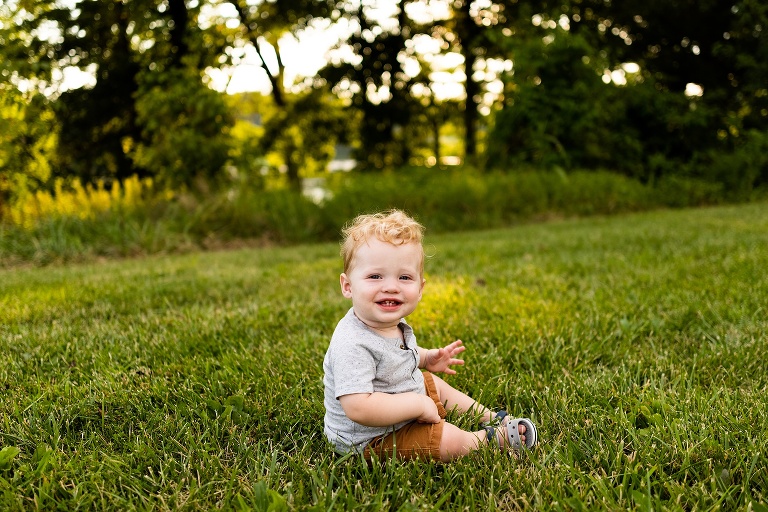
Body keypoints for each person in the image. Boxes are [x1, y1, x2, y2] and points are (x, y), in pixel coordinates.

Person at [323, 209, 538, 462]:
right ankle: (488, 440)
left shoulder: (390, 322)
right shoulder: (352, 343)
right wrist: (418, 405)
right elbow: (358, 407)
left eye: (404, 277)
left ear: (420, 287)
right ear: (348, 286)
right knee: (446, 440)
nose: (390, 286)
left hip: (398, 403)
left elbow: (394, 355)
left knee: (431, 382)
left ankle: (491, 416)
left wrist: (426, 358)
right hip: (371, 439)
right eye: (375, 276)